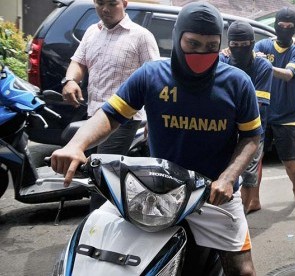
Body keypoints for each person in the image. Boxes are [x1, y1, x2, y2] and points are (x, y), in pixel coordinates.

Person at [51, 2, 260, 275]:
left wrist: (228, 178)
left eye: (211, 46)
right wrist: (76, 145)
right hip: (154, 191)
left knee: (243, 271)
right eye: (193, 44)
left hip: (212, 195)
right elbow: (110, 115)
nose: (201, 54)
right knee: (97, 248)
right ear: (177, 37)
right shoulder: (152, 75)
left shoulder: (238, 83)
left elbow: (251, 137)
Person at [61, 0, 160, 210]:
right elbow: (78, 62)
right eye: (100, 3)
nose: (105, 9)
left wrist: (153, 118)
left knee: (101, 175)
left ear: (124, 3)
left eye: (112, 3)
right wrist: (70, 80)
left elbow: (155, 81)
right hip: (94, 116)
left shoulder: (141, 36)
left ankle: (96, 226)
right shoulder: (91, 32)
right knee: (97, 172)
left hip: (123, 121)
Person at [254, 7, 295, 210]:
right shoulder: (262, 45)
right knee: (256, 159)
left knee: (289, 161)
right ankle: (255, 198)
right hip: (262, 112)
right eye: (281, 26)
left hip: (287, 114)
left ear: (294, 28)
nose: (284, 30)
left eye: (289, 27)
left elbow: (288, 74)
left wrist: (263, 64)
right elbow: (244, 58)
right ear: (275, 26)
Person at [220, 21, 273, 214]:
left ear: (252, 43)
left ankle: (242, 214)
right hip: (225, 128)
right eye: (235, 45)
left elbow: (256, 107)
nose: (239, 50)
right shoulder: (222, 60)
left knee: (248, 173)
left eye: (245, 45)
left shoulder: (263, 66)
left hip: (252, 131)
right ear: (228, 44)